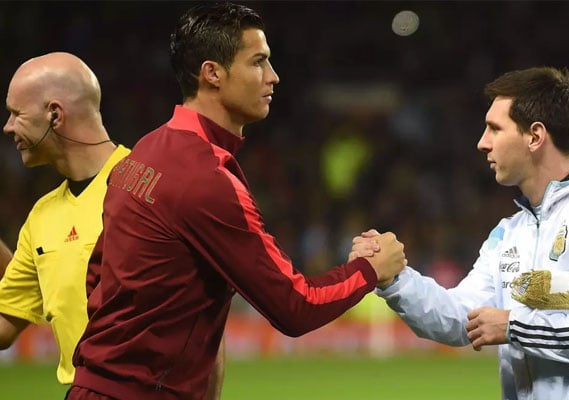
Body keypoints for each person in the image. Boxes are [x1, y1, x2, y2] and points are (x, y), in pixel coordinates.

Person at [67, 3, 406, 400]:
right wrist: (370, 269)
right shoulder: (204, 179)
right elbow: (296, 305)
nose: (273, 77)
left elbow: (98, 278)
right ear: (213, 73)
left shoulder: (141, 154)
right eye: (258, 62)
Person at [356, 67, 569, 399]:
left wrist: (514, 327)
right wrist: (395, 279)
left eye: (494, 129)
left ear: (535, 136)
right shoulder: (509, 234)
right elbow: (463, 318)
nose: (482, 143)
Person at [0, 52, 130, 385]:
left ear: (55, 114)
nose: (8, 127)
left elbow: (204, 316)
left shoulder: (147, 187)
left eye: (16, 114)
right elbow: (4, 326)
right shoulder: (41, 217)